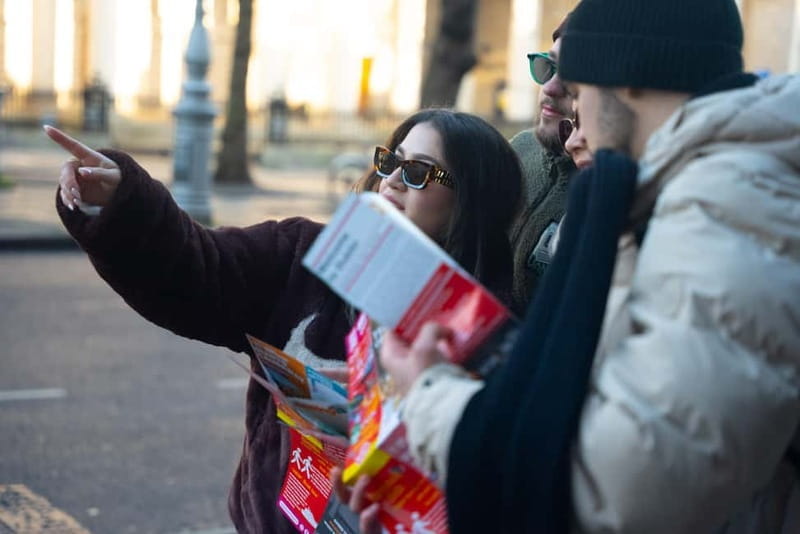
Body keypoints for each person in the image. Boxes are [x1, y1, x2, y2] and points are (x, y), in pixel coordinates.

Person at [379, 1, 800, 532]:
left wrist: (428, 396)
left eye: (579, 92)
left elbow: (633, 489)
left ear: (626, 80)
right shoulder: (694, 193)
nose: (576, 122)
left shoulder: (728, 205)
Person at [46, 108, 523, 533]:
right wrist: (120, 202)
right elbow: (199, 267)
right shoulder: (304, 252)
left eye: (419, 171)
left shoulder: (492, 329)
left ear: (473, 200)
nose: (393, 180)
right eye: (390, 161)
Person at [507, 15, 576, 312]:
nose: (549, 87)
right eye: (548, 66)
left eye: (574, 76)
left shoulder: (613, 194)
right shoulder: (518, 150)